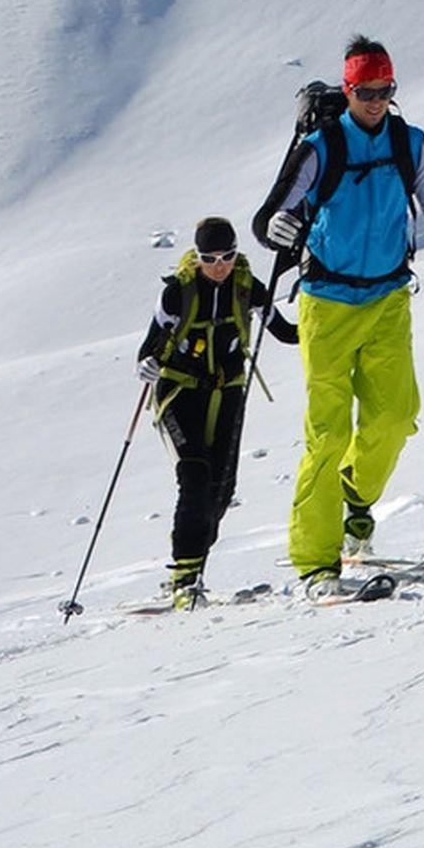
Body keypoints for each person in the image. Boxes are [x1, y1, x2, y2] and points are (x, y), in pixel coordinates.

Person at [255, 36, 424, 593]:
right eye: (364, 91)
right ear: (348, 89)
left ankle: (355, 496)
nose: (376, 101)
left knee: (395, 416)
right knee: (327, 434)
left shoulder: (410, 143)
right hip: (326, 302)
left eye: (385, 90)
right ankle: (315, 561)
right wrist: (273, 231)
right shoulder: (322, 146)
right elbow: (268, 217)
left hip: (388, 298)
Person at [133, 215, 295, 607]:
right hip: (179, 391)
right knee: (195, 474)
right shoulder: (179, 293)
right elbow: (147, 350)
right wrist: (146, 366)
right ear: (198, 257)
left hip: (228, 390)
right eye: (210, 258)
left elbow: (287, 333)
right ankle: (183, 578)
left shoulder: (246, 287)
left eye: (227, 256)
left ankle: (194, 568)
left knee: (222, 488)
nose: (219, 265)